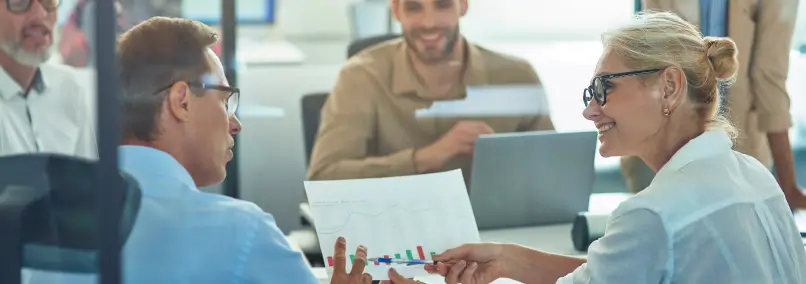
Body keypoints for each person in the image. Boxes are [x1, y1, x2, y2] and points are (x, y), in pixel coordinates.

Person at [414, 11, 806, 284]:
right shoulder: (755, 176)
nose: (589, 110)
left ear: (669, 87)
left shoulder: (653, 214)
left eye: (605, 88)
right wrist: (506, 259)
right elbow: (615, 272)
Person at [102, 16, 370, 283]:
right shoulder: (239, 232)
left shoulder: (63, 218)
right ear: (182, 102)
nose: (235, 124)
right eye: (224, 101)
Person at [307, 0, 554, 183]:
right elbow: (323, 178)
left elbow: (555, 171)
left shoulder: (516, 77)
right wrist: (424, 158)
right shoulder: (360, 77)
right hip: (396, 230)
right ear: (396, 11)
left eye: (443, 5)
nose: (429, 23)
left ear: (463, 6)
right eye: (414, 7)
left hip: (497, 232)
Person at [621, 0, 806, 210]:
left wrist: (788, 185)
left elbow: (769, 77)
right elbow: (652, 63)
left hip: (738, 151)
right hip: (663, 149)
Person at [0, 0, 96, 159]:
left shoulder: (68, 88)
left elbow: (89, 181)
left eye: (48, 1)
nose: (40, 15)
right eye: (20, 2)